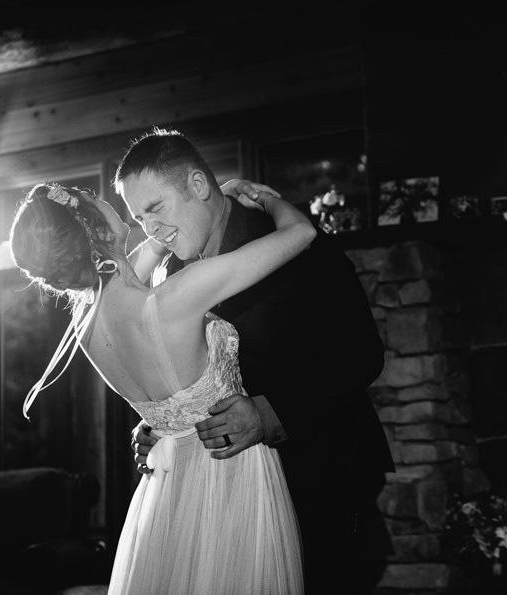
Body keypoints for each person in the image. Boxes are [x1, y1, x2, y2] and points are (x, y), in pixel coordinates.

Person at [10, 175, 316, 593]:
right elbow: (301, 233)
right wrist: (262, 199)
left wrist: (217, 195)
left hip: (168, 490)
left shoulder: (85, 325)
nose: (106, 202)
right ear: (94, 228)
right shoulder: (176, 298)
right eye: (93, 198)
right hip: (230, 474)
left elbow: (132, 267)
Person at [121, 129, 393, 595]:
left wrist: (269, 414)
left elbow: (360, 353)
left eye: (156, 209)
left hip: (321, 474)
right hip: (227, 497)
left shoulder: (288, 244)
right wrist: (162, 422)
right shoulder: (170, 270)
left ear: (198, 186)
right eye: (139, 219)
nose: (151, 231)